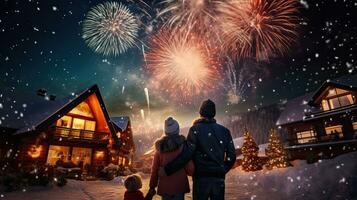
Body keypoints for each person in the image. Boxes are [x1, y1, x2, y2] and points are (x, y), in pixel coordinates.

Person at [160, 99, 236, 200]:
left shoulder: (195, 129)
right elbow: (232, 156)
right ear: (214, 113)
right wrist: (221, 170)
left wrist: (168, 169)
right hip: (218, 180)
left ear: (201, 113)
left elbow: (186, 155)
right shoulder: (225, 131)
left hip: (201, 179)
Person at [147, 117, 195, 200]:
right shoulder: (183, 147)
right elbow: (190, 170)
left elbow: (154, 170)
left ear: (166, 131)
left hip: (165, 187)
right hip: (180, 186)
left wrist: (152, 186)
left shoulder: (159, 149)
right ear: (177, 130)